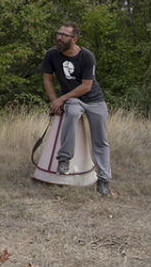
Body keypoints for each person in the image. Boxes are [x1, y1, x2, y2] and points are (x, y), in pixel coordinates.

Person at [40, 22, 112, 196]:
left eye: (64, 35)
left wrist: (61, 99)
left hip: (93, 99)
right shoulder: (51, 54)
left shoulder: (87, 56)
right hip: (73, 99)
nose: (59, 37)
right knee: (71, 113)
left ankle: (103, 179)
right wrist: (54, 102)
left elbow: (86, 86)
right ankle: (64, 158)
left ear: (74, 39)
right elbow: (48, 79)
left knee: (100, 139)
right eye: (58, 33)